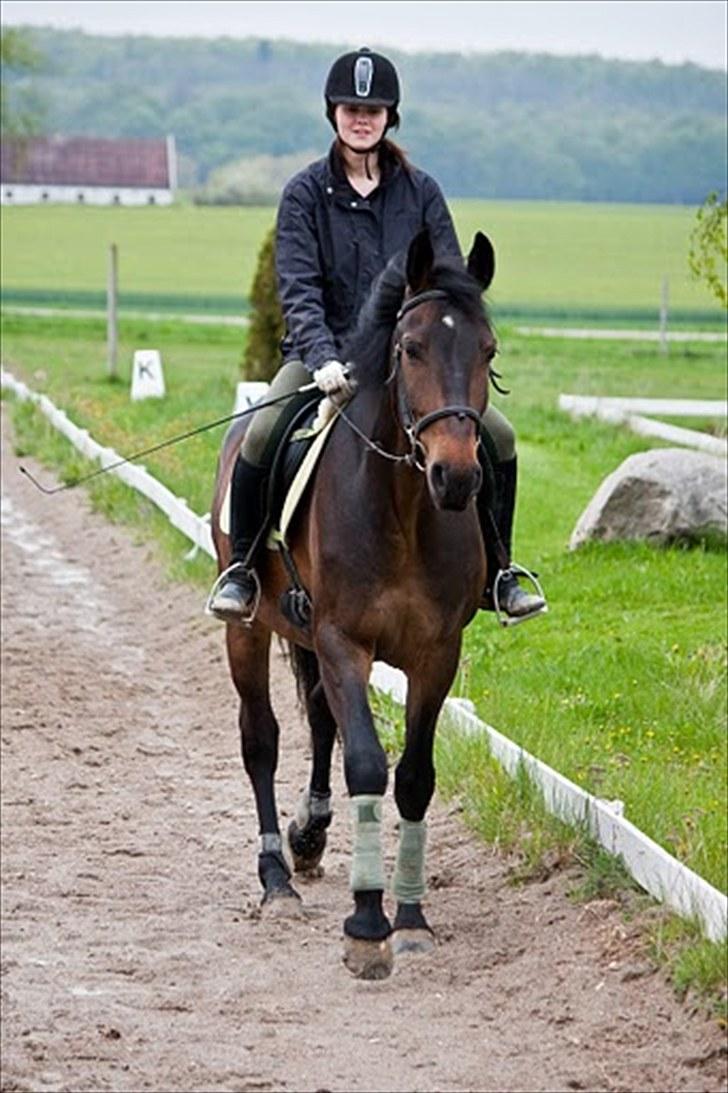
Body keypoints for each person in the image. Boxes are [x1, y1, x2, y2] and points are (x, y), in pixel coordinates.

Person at [209, 47, 546, 626]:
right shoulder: (304, 194)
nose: (361, 119)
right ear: (333, 114)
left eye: (372, 110)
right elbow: (298, 287)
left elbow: (447, 284)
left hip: (411, 363)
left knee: (499, 436)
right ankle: (242, 569)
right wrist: (322, 358)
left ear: (390, 117)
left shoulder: (421, 193)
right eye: (351, 109)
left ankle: (500, 572)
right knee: (262, 433)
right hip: (325, 360)